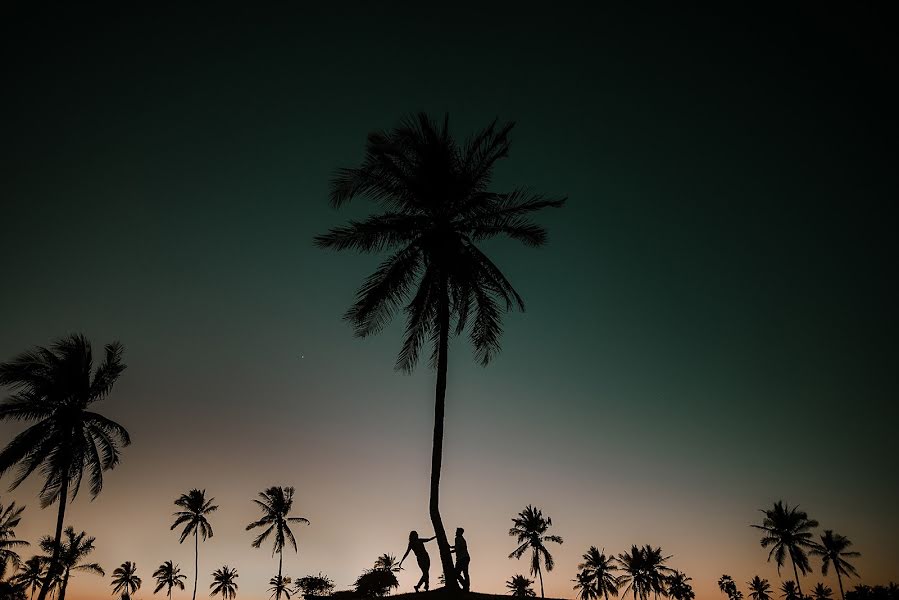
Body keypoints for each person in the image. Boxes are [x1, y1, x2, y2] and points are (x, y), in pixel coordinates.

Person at [450, 527, 470, 591]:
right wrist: (450, 547)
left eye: (457, 531)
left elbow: (457, 549)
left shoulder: (458, 539)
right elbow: (457, 547)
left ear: (460, 532)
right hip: (464, 558)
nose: (456, 532)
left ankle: (465, 585)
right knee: (465, 573)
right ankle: (466, 587)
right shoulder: (461, 539)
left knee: (456, 573)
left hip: (462, 558)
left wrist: (449, 552)